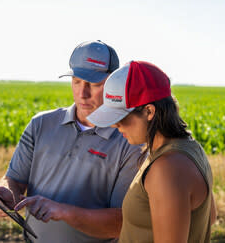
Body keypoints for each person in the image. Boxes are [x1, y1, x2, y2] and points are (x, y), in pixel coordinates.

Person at [0, 40, 143, 242]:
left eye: (94, 84)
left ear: (113, 83)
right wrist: (6, 194)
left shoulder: (129, 140)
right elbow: (14, 180)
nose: (82, 94)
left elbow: (120, 223)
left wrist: (64, 211)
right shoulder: (40, 124)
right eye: (76, 81)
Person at [87, 61, 217, 242]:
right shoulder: (189, 148)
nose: (115, 125)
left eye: (121, 117)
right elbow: (208, 217)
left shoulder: (167, 168)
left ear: (149, 111)